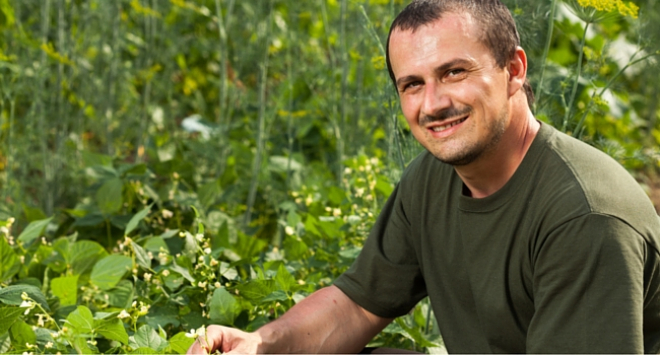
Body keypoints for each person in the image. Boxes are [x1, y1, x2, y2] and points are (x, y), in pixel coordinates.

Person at [188, 0, 660, 353]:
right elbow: (357, 306)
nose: (431, 104)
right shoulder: (432, 179)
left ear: (513, 70)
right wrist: (263, 344)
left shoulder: (585, 216)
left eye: (454, 72)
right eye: (412, 84)